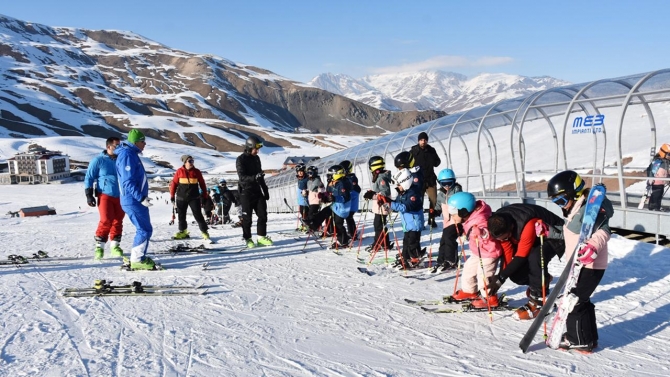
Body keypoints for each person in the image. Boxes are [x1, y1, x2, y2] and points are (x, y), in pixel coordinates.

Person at [547, 170, 613, 353]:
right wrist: (548, 231)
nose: (559, 205)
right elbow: (570, 234)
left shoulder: (589, 209)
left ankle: (578, 340)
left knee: (573, 301)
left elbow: (604, 231)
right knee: (581, 300)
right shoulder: (575, 210)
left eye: (560, 200)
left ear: (574, 193)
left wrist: (593, 246)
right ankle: (589, 338)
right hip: (579, 265)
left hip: (590, 265)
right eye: (555, 202)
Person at [486, 203, 565, 319]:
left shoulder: (527, 223)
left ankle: (538, 302)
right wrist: (500, 277)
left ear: (511, 228)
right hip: (534, 239)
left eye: (505, 238)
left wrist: (501, 277)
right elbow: (507, 254)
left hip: (554, 235)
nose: (503, 240)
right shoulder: (498, 223)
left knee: (535, 257)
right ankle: (543, 280)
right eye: (500, 239)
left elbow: (521, 256)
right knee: (515, 274)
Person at [443, 192, 503, 309]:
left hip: (489, 252)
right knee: (468, 269)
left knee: (484, 275)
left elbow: (488, 232)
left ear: (463, 212)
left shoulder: (481, 218)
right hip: (478, 252)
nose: (453, 218)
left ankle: (490, 297)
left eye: (454, 215)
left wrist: (481, 232)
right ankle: (469, 291)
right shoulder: (470, 217)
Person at [115, 129, 156, 270]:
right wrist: (141, 197)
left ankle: (139, 256)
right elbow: (128, 181)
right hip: (133, 200)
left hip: (135, 199)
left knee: (145, 229)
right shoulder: (127, 155)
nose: (144, 144)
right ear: (135, 142)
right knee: (144, 229)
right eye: (142, 141)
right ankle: (137, 259)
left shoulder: (131, 153)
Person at [84, 136, 125, 260]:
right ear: (108, 147)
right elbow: (89, 177)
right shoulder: (98, 160)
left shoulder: (121, 160)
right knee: (106, 219)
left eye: (120, 146)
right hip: (105, 194)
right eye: (116, 146)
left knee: (118, 220)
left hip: (121, 195)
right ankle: (99, 247)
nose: (119, 148)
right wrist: (89, 195)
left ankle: (115, 246)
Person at [377, 168, 425, 269]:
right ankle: (405, 257)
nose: (397, 187)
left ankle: (416, 258)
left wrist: (390, 204)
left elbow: (405, 207)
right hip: (407, 224)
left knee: (413, 243)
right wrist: (385, 201)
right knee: (406, 242)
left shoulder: (413, 193)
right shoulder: (403, 193)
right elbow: (396, 204)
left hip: (414, 224)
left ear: (405, 182)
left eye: (399, 185)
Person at [236, 135, 273, 248]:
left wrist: (265, 190)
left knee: (263, 215)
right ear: (250, 147)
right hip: (246, 192)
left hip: (257, 191)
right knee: (247, 218)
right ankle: (248, 239)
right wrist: (254, 177)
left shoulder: (256, 159)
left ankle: (261, 237)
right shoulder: (241, 159)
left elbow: (260, 176)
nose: (257, 151)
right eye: (256, 149)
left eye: (258, 149)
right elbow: (242, 177)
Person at [308, 165, 352, 249]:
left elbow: (346, 197)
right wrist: (324, 196)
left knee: (338, 224)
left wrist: (334, 198)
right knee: (325, 212)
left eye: (331, 174)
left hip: (342, 208)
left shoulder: (342, 183)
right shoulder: (333, 182)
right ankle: (313, 223)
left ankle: (343, 241)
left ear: (337, 174)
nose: (329, 175)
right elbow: (330, 193)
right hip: (335, 206)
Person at [169, 155, 210, 240]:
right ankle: (183, 232)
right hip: (181, 197)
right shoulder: (179, 171)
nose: (192, 163)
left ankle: (204, 232)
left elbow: (202, 184)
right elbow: (174, 184)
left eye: (192, 161)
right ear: (185, 162)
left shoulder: (197, 172)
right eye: (190, 161)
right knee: (181, 215)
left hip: (194, 197)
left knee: (198, 215)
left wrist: (205, 196)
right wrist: (172, 195)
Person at [432, 168, 464, 272]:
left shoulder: (457, 191)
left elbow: (461, 202)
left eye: (449, 183)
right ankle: (441, 260)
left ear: (454, 181)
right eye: (444, 183)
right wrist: (434, 211)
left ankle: (451, 260)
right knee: (443, 241)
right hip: (447, 222)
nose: (447, 186)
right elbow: (438, 205)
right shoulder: (441, 193)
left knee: (449, 238)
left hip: (457, 221)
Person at [410, 132, 441, 228]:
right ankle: (419, 222)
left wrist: (433, 162)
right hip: (418, 181)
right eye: (421, 140)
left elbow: (437, 162)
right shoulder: (413, 151)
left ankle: (432, 220)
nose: (423, 142)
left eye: (425, 140)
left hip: (430, 180)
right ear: (418, 141)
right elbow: (408, 164)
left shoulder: (431, 150)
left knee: (433, 200)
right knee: (419, 202)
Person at [363, 156, 393, 252]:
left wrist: (373, 196)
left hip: (383, 205)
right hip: (381, 205)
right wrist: (371, 192)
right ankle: (385, 244)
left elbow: (385, 192)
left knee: (378, 226)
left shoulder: (381, 177)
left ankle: (378, 244)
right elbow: (378, 190)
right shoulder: (379, 176)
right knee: (381, 225)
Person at [340, 160, 361, 239]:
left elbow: (352, 190)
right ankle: (352, 232)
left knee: (349, 218)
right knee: (349, 218)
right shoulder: (346, 178)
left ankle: (352, 233)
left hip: (352, 204)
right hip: (349, 203)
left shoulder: (352, 178)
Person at [646, 143, 670, 211]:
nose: (669, 156)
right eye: (669, 154)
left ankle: (657, 207)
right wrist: (650, 180)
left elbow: (666, 173)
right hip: (656, 183)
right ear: (663, 153)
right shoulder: (658, 161)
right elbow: (651, 170)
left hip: (661, 183)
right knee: (656, 195)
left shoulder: (666, 162)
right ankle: (653, 207)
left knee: (659, 196)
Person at [295, 163, 309, 231]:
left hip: (306, 200)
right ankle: (303, 224)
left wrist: (306, 191)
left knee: (305, 212)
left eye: (301, 171)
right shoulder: (299, 179)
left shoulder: (306, 179)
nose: (300, 173)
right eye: (299, 172)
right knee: (301, 211)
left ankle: (306, 225)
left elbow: (310, 187)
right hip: (301, 199)